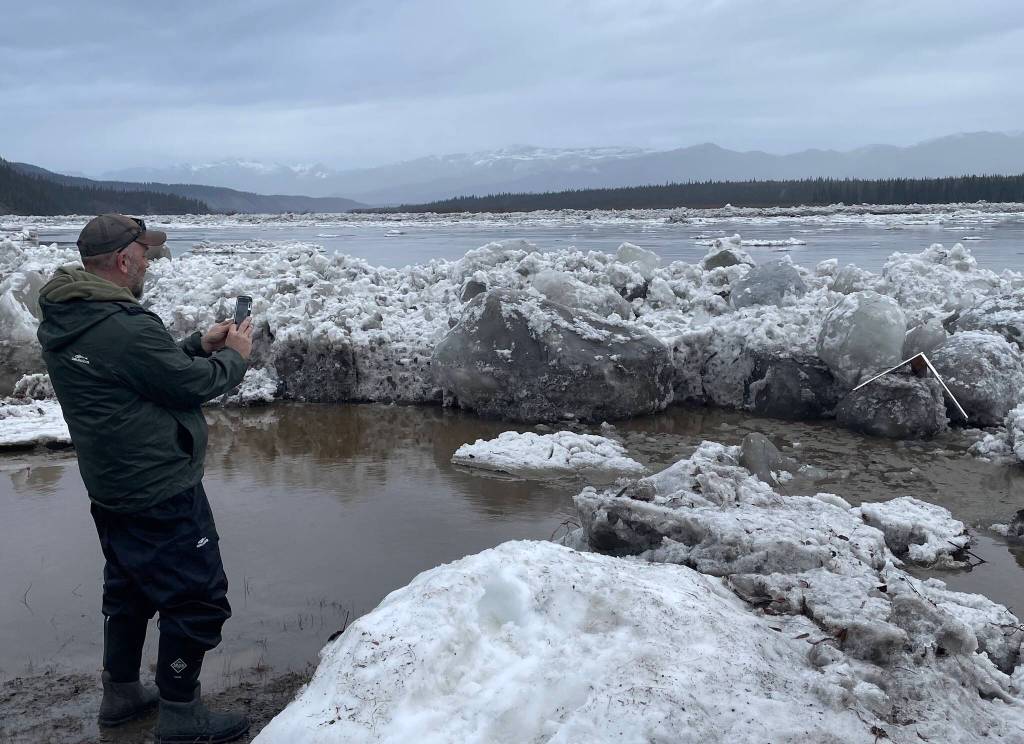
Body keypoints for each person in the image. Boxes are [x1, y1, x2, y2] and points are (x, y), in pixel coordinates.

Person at [36, 214, 254, 743]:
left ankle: (123, 692)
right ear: (122, 261)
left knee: (130, 588)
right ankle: (181, 714)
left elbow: (140, 372)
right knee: (198, 597)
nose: (151, 262)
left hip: (113, 485)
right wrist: (232, 358)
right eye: (145, 253)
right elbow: (188, 387)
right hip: (160, 488)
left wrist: (197, 343)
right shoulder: (122, 325)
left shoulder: (72, 315)